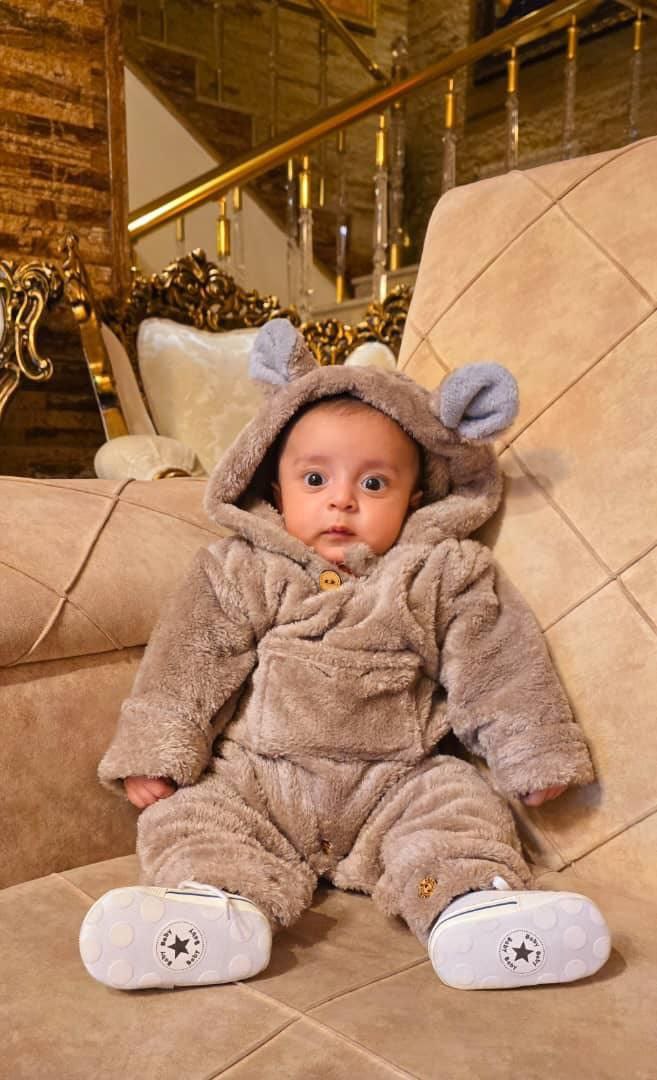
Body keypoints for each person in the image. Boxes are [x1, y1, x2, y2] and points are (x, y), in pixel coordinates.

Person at [79, 319, 611, 993]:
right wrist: (157, 750)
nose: (341, 499)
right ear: (275, 488)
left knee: (460, 808)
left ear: (416, 497)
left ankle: (470, 907)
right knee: (187, 817)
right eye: (314, 478)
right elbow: (186, 662)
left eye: (374, 485)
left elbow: (498, 666)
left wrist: (528, 750)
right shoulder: (238, 568)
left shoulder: (444, 572)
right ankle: (214, 907)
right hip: (258, 778)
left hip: (396, 782)